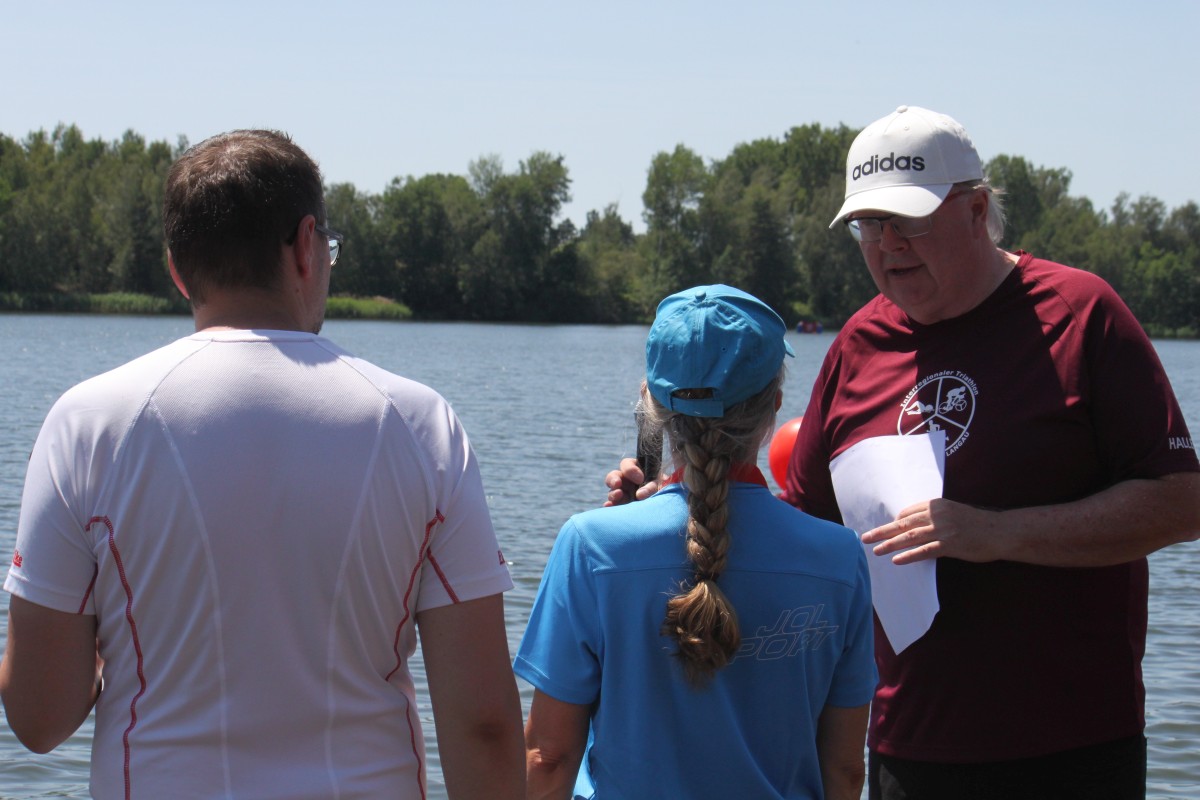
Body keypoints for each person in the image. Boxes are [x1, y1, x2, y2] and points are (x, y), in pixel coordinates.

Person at [0, 130, 525, 799]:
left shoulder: (88, 422)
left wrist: (106, 648)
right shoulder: (420, 424)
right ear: (306, 246)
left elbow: (39, 717)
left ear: (177, 269)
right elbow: (483, 724)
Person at [519, 285, 877, 799]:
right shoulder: (838, 558)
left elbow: (548, 758)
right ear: (774, 407)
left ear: (652, 406)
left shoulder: (592, 547)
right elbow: (844, 771)